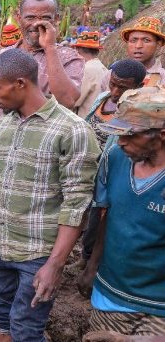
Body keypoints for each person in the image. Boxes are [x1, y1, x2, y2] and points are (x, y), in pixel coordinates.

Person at [0, 48, 100, 341]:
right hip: (1, 245)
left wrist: (54, 265)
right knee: (1, 317)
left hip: (38, 254)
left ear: (21, 83)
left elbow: (77, 206)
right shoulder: (7, 122)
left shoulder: (71, 130)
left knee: (26, 328)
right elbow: (2, 180)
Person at [0, 0, 85, 289]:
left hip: (34, 164)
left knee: (20, 228)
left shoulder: (69, 58)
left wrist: (49, 48)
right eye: (31, 17)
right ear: (18, 15)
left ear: (57, 20)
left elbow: (68, 101)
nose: (37, 23)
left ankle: (5, 284)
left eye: (46, 18)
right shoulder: (1, 56)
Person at [76, 86, 165, 339]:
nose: (121, 141)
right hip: (111, 292)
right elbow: (108, 215)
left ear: (161, 135)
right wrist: (93, 265)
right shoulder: (115, 157)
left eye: (131, 134)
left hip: (158, 305)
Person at [70, 60, 147, 273]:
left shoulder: (137, 113)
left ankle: (90, 263)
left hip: (111, 176)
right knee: (78, 213)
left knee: (99, 221)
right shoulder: (102, 99)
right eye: (112, 84)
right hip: (86, 170)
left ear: (139, 87)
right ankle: (82, 258)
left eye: (122, 87)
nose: (114, 91)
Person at [113, 16, 165, 86]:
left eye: (146, 40)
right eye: (133, 40)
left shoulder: (162, 79)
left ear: (159, 44)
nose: (138, 46)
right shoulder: (112, 75)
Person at [72, 31, 108, 117]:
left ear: (78, 50)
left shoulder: (87, 69)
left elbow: (75, 101)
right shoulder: (103, 68)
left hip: (85, 118)